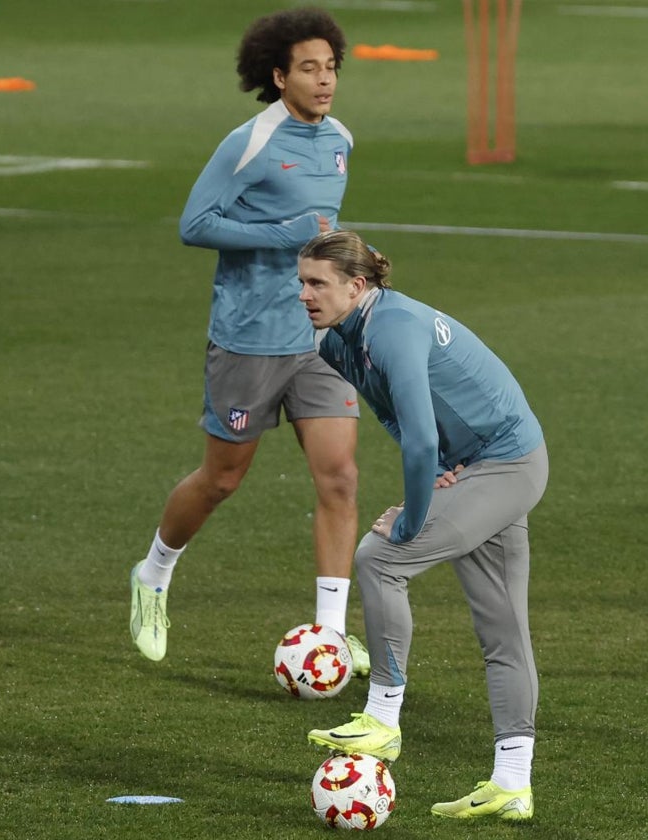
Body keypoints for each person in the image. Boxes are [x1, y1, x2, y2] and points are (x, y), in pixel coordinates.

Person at [128, 7, 369, 675]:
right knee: (222, 479)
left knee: (340, 477)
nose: (324, 81)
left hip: (318, 337)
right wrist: (284, 232)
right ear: (278, 74)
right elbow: (195, 223)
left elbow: (318, 233)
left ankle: (329, 634)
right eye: (310, 69)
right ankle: (153, 575)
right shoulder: (252, 140)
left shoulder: (342, 138)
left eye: (331, 68)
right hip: (249, 337)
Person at [297, 230, 549, 821]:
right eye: (301, 282)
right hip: (478, 464)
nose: (304, 294)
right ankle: (513, 783)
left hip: (508, 463)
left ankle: (383, 720)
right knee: (504, 628)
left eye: (317, 283)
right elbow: (394, 414)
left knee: (380, 556)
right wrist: (439, 469)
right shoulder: (337, 341)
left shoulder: (393, 328)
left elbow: (418, 436)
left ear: (357, 286)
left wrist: (412, 513)